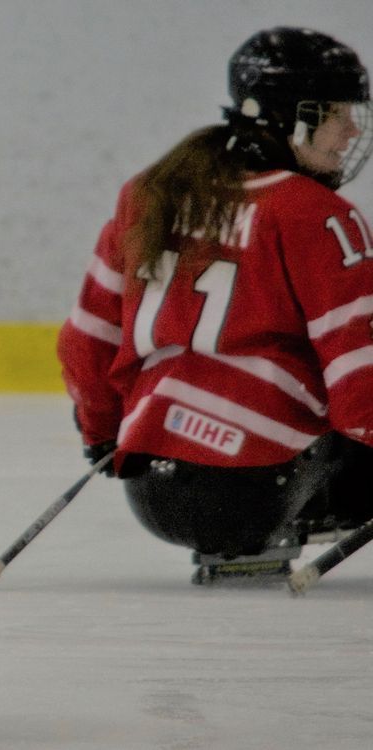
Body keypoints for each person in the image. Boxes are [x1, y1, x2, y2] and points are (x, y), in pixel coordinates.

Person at [57, 27, 373, 584]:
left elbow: (87, 340)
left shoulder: (149, 192)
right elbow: (357, 363)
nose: (351, 129)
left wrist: (101, 433)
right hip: (263, 484)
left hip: (151, 486)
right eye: (337, 113)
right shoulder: (314, 213)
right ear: (287, 117)